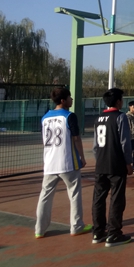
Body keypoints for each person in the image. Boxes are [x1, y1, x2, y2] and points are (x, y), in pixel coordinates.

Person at [35, 87, 91, 239]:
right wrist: (82, 157)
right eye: (69, 97)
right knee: (74, 193)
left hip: (49, 163)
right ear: (63, 100)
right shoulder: (69, 116)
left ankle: (39, 229)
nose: (71, 100)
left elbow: (44, 140)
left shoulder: (44, 118)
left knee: (45, 196)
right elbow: (76, 138)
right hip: (67, 162)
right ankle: (76, 226)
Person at [92, 88, 134, 248]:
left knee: (98, 199)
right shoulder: (120, 117)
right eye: (121, 99)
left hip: (100, 164)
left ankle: (98, 232)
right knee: (116, 199)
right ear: (118, 102)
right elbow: (125, 142)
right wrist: (128, 163)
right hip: (116, 164)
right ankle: (114, 234)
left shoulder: (98, 118)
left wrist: (100, 160)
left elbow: (95, 145)